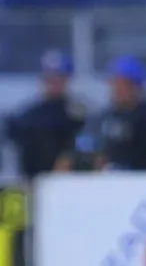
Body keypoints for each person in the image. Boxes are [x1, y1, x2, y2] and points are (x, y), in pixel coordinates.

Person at [4, 50, 86, 179]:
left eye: (58, 78)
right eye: (50, 78)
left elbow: (84, 142)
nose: (54, 83)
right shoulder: (29, 114)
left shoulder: (77, 113)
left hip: (67, 181)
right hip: (33, 180)